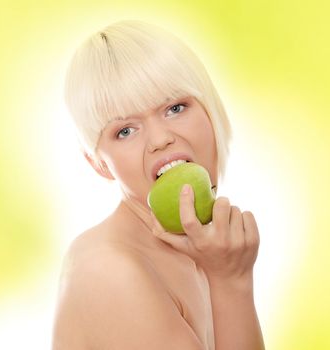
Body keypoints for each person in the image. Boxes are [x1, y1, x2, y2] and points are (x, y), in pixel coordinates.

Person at [52, 20, 265, 350]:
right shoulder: (107, 272)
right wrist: (231, 281)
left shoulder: (203, 251)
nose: (161, 139)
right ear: (97, 163)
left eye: (175, 108)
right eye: (125, 130)